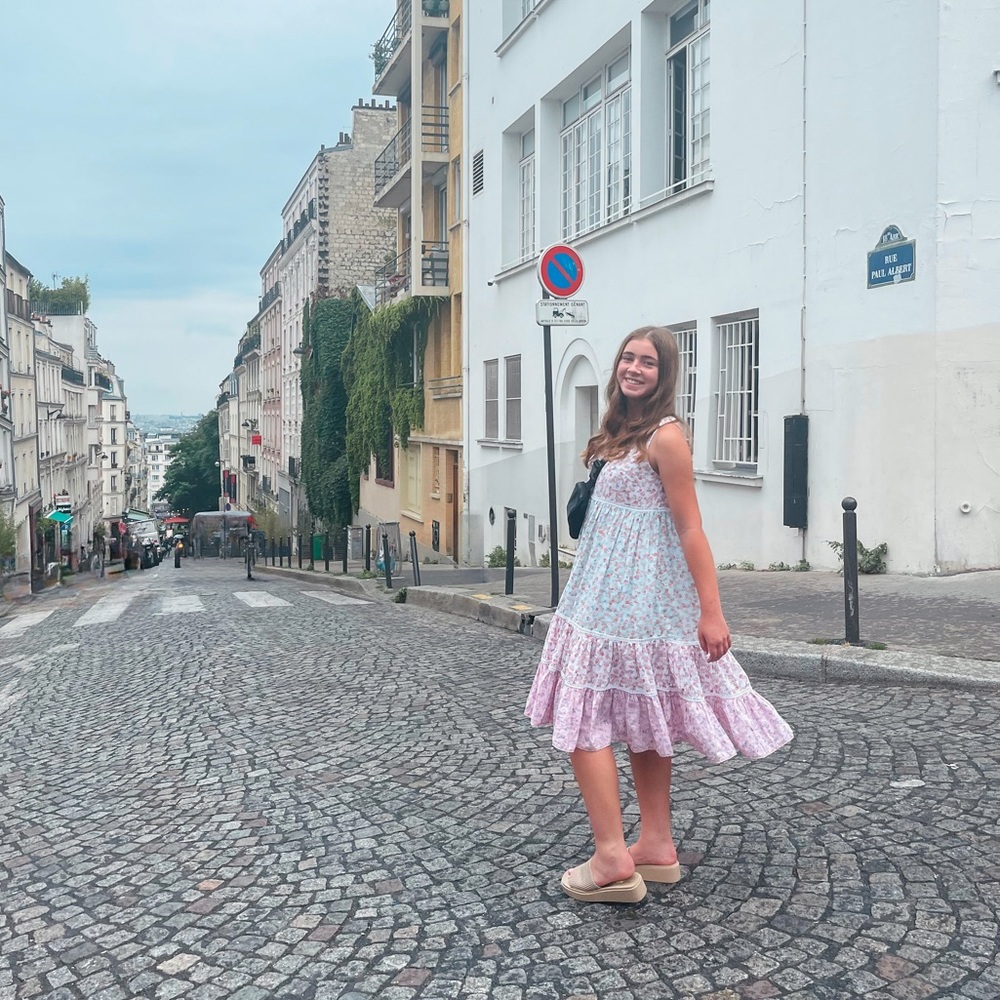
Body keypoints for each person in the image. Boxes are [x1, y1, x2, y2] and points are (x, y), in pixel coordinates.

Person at [525, 326, 794, 904]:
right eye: (628, 357)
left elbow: (691, 526)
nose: (635, 368)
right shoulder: (620, 431)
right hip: (603, 595)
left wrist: (712, 612)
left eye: (648, 362)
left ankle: (610, 858)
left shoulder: (665, 437)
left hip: (632, 605)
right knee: (644, 720)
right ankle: (656, 844)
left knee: (583, 721)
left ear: (664, 375)